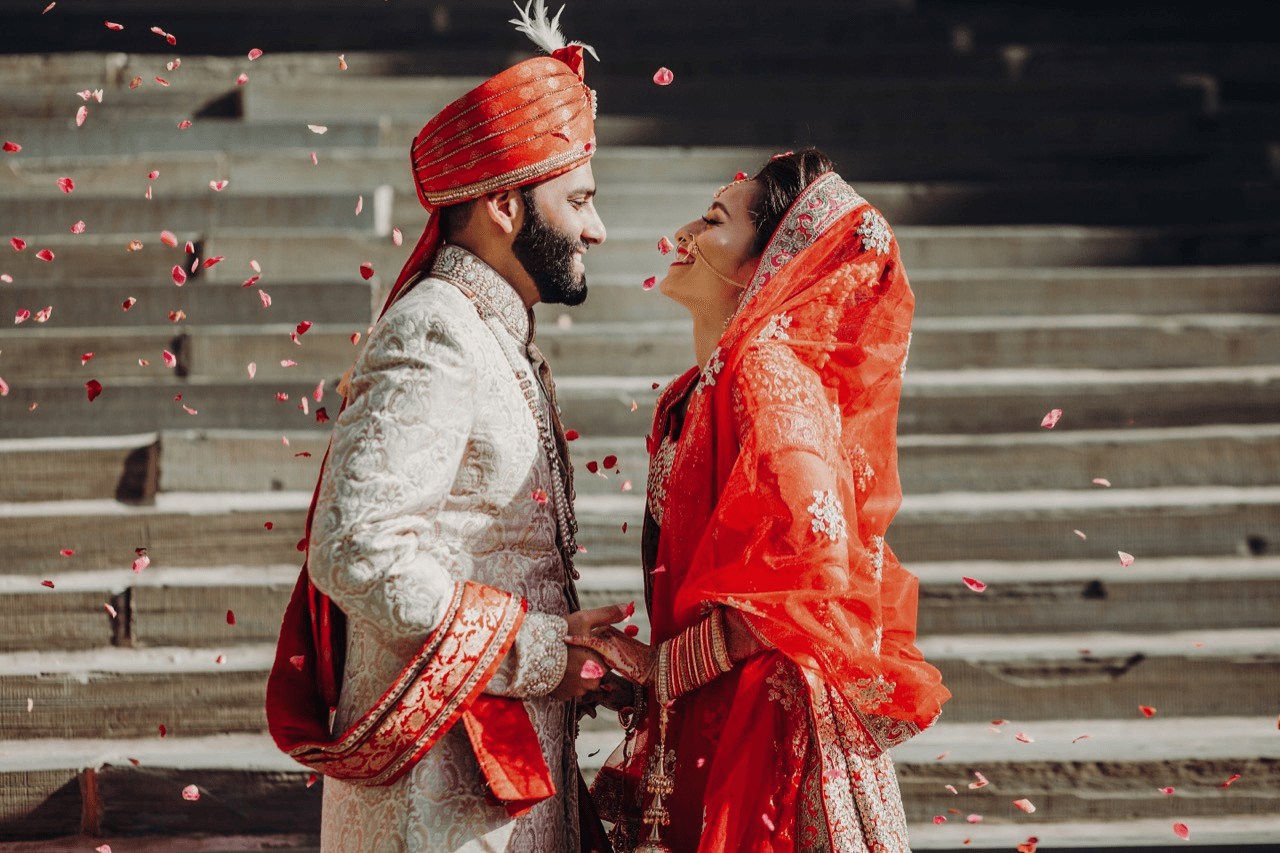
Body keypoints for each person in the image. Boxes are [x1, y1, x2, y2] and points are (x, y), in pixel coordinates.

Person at [264, 4, 625, 851]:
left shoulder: (491, 330)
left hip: (501, 769)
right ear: (504, 204)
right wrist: (541, 655)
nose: (597, 228)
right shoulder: (436, 327)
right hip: (440, 795)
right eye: (578, 200)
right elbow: (355, 547)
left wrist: (566, 646)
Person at [575, 149, 952, 852]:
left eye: (714, 219)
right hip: (724, 708)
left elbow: (810, 563)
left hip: (768, 736)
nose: (684, 232)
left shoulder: (765, 370)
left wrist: (668, 666)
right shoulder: (703, 386)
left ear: (769, 265)